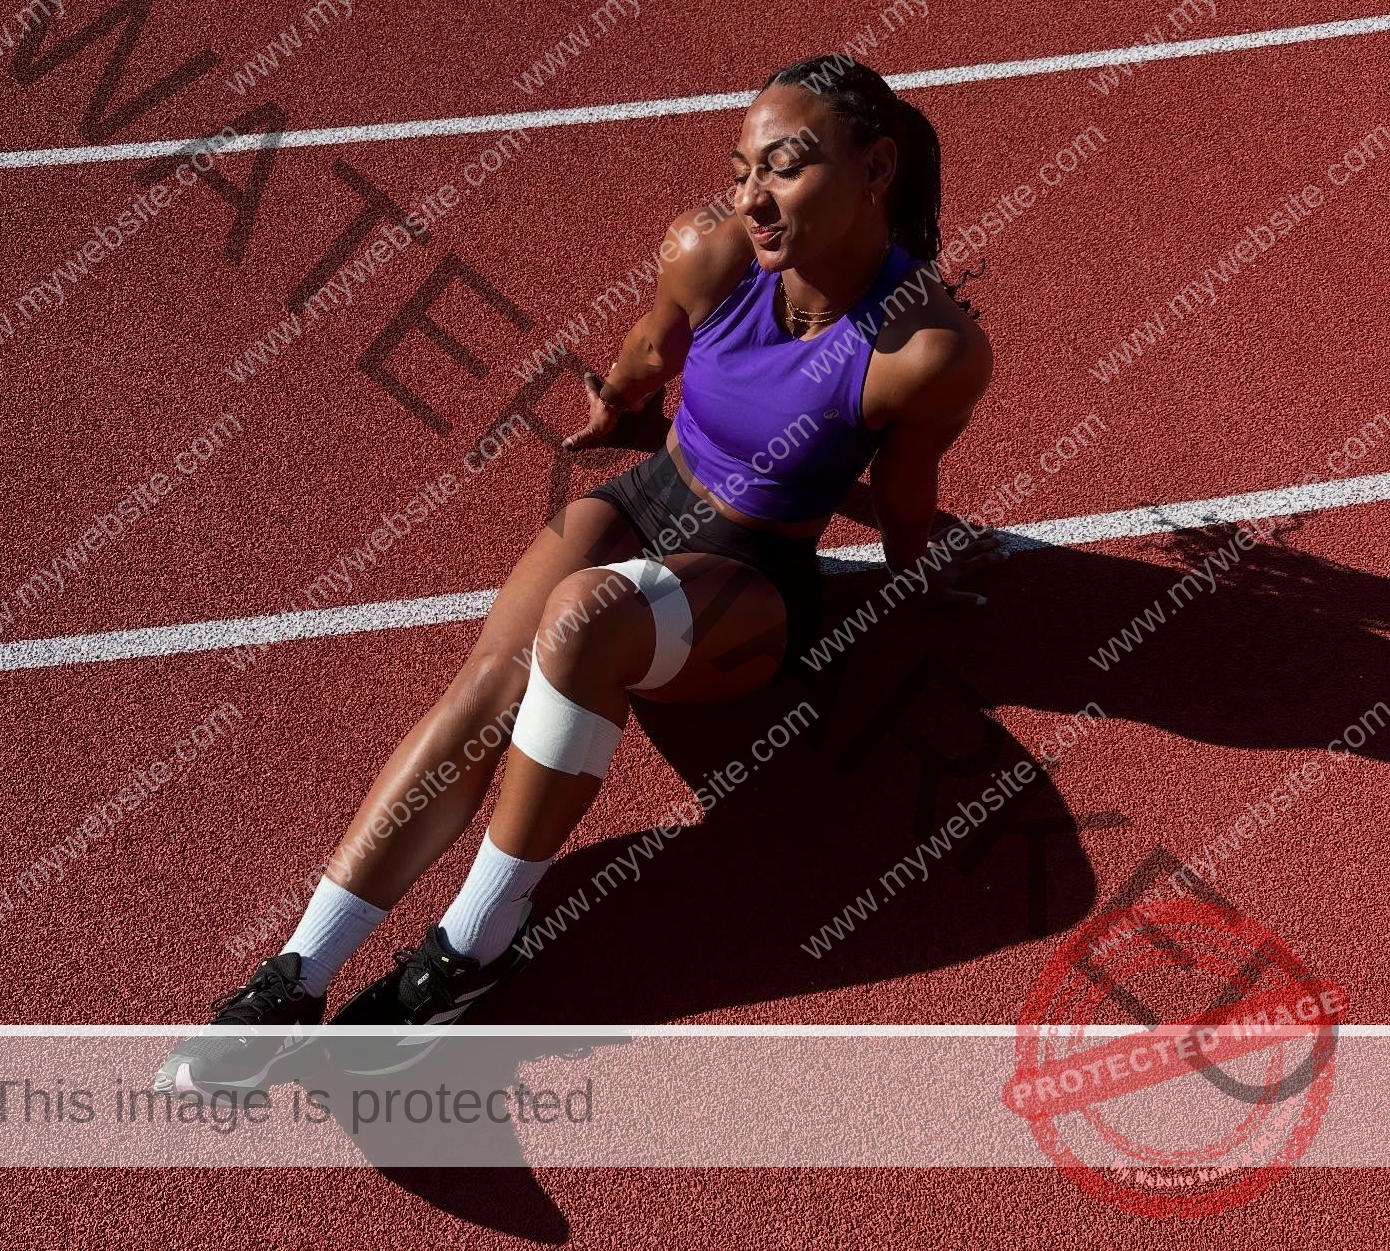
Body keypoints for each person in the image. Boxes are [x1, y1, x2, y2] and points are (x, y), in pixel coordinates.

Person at [155, 55, 1000, 1094]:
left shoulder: (926, 349)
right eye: (739, 170)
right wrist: (620, 406)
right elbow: (654, 348)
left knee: (580, 616)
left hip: (756, 584)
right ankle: (298, 971)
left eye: (781, 170)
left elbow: (908, 484)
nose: (747, 199)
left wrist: (919, 572)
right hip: (652, 493)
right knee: (490, 680)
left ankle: (469, 952)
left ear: (876, 169)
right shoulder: (713, 250)